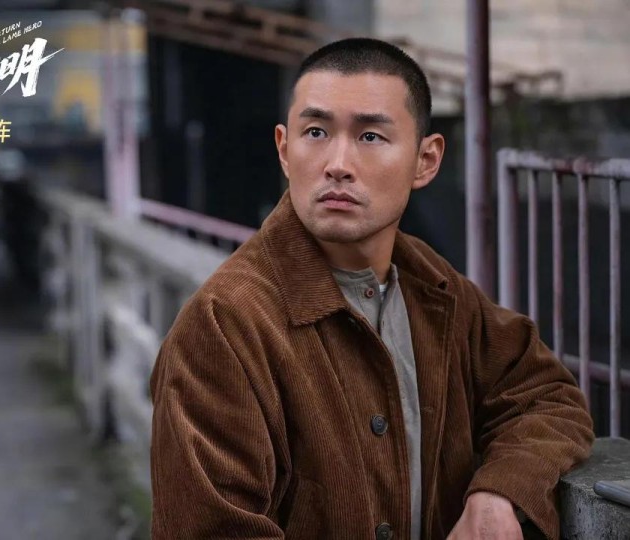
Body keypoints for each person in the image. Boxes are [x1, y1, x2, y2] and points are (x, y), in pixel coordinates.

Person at [149, 37, 594, 540]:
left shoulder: (433, 286)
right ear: (284, 149)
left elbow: (547, 395)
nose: (338, 162)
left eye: (370, 136)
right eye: (316, 132)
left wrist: (499, 492)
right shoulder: (225, 323)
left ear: (426, 160)